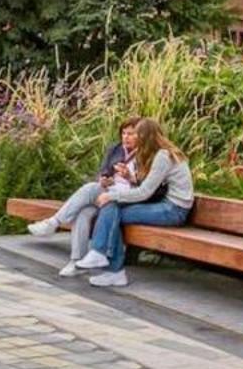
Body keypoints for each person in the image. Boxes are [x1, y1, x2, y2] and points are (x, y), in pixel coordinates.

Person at [74, 118, 193, 288]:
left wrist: (111, 196)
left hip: (174, 210)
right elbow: (146, 185)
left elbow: (144, 193)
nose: (132, 138)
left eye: (136, 134)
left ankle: (108, 262)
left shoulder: (163, 156)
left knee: (112, 208)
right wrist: (130, 178)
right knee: (112, 209)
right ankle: (105, 261)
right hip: (167, 205)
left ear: (146, 136)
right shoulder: (161, 153)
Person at [32, 120, 139, 269]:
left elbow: (147, 186)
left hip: (129, 198)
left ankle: (54, 222)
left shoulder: (147, 154)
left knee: (90, 188)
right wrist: (103, 179)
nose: (125, 137)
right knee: (83, 212)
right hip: (108, 192)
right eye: (123, 133)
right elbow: (104, 171)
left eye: (130, 134)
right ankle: (77, 262)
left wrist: (130, 178)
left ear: (141, 135)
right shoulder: (115, 148)